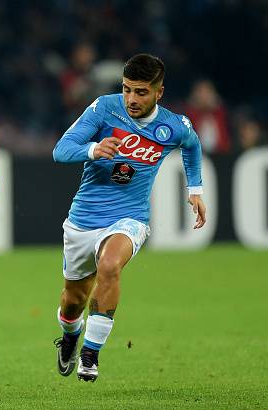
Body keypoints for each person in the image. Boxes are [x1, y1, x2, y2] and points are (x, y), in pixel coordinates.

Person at [52, 53, 206, 382]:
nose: (131, 99)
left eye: (140, 92)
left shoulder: (173, 126)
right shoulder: (104, 108)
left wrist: (195, 188)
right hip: (83, 219)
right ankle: (69, 337)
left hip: (130, 217)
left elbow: (192, 146)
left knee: (110, 266)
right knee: (72, 301)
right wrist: (92, 149)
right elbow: (61, 150)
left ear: (158, 92)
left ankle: (90, 356)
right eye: (126, 90)